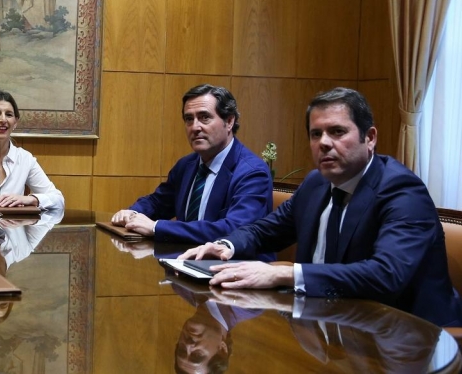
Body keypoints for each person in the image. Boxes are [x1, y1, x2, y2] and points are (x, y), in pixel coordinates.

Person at [179, 87, 462, 327]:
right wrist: (227, 244)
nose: (324, 143)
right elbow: (268, 230)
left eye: (337, 132)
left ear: (370, 137)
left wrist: (285, 273)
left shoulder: (401, 190)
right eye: (316, 134)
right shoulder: (317, 183)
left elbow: (385, 275)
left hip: (408, 338)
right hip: (333, 327)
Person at [110, 84, 273, 252]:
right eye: (189, 119)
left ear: (229, 121)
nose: (195, 127)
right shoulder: (186, 165)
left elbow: (234, 230)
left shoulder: (252, 172)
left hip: (235, 269)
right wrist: (132, 214)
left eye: (204, 117)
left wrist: (156, 227)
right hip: (186, 261)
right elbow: (158, 202)